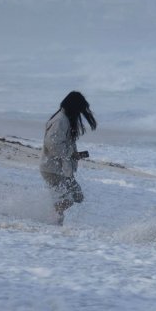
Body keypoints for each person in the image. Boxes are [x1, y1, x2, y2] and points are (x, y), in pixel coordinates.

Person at [39, 91, 96, 224]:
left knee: (77, 196)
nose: (80, 114)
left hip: (61, 169)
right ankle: (52, 221)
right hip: (52, 169)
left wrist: (72, 155)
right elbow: (52, 144)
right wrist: (71, 154)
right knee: (67, 199)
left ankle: (54, 218)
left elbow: (60, 145)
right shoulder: (60, 120)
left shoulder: (65, 119)